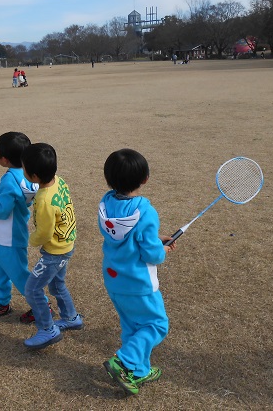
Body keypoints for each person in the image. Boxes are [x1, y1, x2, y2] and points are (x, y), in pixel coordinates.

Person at [98, 149, 176, 396]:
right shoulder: (145, 211)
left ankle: (139, 371)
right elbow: (152, 254)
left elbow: (134, 238)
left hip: (114, 280)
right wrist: (163, 249)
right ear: (145, 179)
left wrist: (154, 238)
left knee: (132, 325)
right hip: (138, 283)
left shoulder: (106, 204)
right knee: (156, 324)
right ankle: (123, 360)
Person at [21, 143, 82, 349]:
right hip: (66, 244)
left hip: (54, 252)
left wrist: (30, 240)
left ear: (35, 176)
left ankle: (47, 329)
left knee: (32, 289)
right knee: (57, 285)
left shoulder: (44, 200)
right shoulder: (59, 180)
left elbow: (44, 233)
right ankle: (71, 317)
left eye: (24, 168)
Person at [0, 132, 39, 321]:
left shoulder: (9, 180)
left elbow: (3, 210)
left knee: (19, 275)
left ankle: (41, 305)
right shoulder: (28, 175)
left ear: (4, 159)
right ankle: (1, 303)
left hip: (9, 238)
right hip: (4, 236)